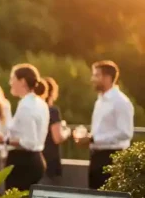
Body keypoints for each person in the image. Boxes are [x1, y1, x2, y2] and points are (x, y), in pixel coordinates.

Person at [73, 60, 134, 190]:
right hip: (96, 157)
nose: (92, 79)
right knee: (94, 196)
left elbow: (126, 133)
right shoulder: (100, 101)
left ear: (107, 78)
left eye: (96, 75)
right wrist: (87, 137)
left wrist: (93, 139)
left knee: (108, 196)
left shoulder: (121, 102)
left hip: (112, 158)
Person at [0, 64, 50, 191]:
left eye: (12, 79)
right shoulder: (41, 103)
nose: (10, 82)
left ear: (22, 81)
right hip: (36, 160)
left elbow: (29, 142)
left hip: (23, 164)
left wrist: (3, 140)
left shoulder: (26, 105)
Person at [41, 77, 70, 184]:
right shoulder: (52, 111)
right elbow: (57, 137)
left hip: (37, 160)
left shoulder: (36, 110)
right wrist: (66, 131)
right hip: (50, 162)